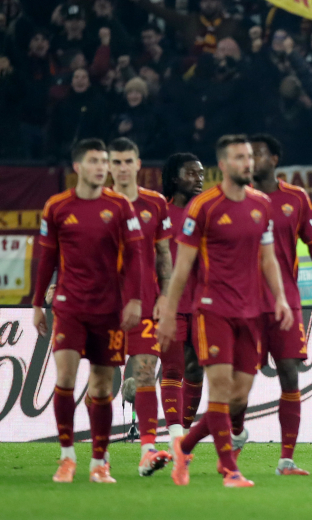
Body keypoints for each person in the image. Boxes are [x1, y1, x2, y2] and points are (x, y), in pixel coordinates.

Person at [159, 135, 293, 488]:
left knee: (238, 397)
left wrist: (279, 299)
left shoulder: (261, 205)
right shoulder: (203, 207)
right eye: (239, 157)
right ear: (224, 165)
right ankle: (229, 468)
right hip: (211, 311)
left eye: (249, 157)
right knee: (218, 389)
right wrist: (169, 311)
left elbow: (268, 259)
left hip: (251, 313)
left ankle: (184, 447)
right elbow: (182, 266)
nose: (248, 163)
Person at [32, 138, 145, 483]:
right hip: (69, 306)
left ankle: (99, 462)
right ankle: (67, 458)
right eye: (95, 161)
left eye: (104, 161)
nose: (102, 167)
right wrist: (38, 302)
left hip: (109, 309)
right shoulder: (56, 207)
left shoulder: (121, 207)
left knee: (100, 388)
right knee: (65, 378)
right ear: (79, 167)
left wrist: (135, 300)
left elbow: (137, 257)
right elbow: (47, 257)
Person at [244, 134, 312, 475]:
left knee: (289, 374)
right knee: (238, 381)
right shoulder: (235, 198)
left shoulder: (295, 198)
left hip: (285, 303)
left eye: (258, 153)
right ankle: (230, 433)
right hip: (242, 303)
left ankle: (286, 459)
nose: (251, 159)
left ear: (274, 159)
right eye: (248, 154)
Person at [107, 138, 173, 476]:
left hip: (147, 303)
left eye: (126, 161)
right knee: (102, 381)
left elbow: (164, 256)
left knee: (146, 371)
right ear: (107, 165)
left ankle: (147, 449)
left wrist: (165, 297)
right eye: (115, 162)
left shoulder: (155, 204)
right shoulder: (95, 204)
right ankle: (99, 457)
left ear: (137, 163)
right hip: (103, 304)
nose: (121, 168)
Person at [158, 153, 206, 447]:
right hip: (170, 304)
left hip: (202, 304)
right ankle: (176, 436)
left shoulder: (207, 213)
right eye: (191, 173)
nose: (199, 179)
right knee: (173, 368)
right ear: (175, 178)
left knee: (196, 369)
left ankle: (183, 436)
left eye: (201, 173)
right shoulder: (158, 213)